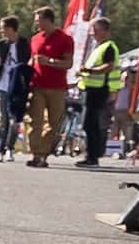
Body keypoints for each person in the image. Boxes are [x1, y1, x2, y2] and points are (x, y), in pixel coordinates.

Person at [23, 10, 72, 167]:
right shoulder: (35, 39)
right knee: (35, 121)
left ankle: (43, 154)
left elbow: (68, 63)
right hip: (37, 86)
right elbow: (32, 60)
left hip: (57, 88)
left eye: (38, 20)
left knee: (53, 123)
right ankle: (35, 154)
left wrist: (50, 61)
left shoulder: (65, 39)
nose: (36, 23)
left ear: (48, 20)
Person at [73, 31, 119, 169]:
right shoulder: (99, 47)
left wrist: (89, 70)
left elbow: (108, 66)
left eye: (95, 30)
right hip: (92, 89)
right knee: (89, 124)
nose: (92, 33)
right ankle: (91, 156)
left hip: (99, 90)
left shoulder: (108, 47)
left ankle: (93, 157)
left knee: (92, 124)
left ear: (104, 31)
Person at [0, 26, 33, 160]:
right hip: (1, 86)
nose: (1, 31)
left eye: (3, 28)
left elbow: (29, 64)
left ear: (11, 29)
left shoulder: (24, 44)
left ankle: (9, 148)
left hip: (18, 88)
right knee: (2, 120)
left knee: (15, 121)